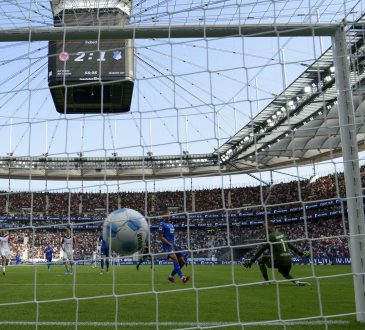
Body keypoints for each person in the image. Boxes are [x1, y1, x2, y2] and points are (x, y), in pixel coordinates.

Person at [243, 221, 311, 286]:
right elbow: (291, 247)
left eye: (265, 227)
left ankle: (267, 281)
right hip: (288, 261)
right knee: (285, 274)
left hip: (278, 261)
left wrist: (252, 260)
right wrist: (301, 254)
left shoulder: (270, 236)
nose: (264, 229)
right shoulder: (282, 234)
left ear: (270, 226)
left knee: (260, 259)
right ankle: (297, 282)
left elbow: (261, 250)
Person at [159, 208, 189, 284]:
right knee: (174, 258)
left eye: (169, 215)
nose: (169, 216)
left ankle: (171, 276)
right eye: (167, 215)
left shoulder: (171, 225)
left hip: (174, 245)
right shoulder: (162, 224)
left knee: (182, 262)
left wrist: (172, 244)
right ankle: (183, 277)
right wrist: (169, 244)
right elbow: (160, 237)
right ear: (164, 216)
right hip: (167, 245)